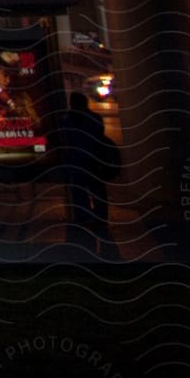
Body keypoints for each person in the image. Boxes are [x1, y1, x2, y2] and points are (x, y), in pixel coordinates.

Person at [57, 92, 118, 256]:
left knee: (79, 192)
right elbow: (99, 136)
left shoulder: (66, 121)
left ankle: (84, 218)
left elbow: (64, 141)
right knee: (98, 190)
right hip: (94, 160)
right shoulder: (95, 119)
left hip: (76, 162)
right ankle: (101, 219)